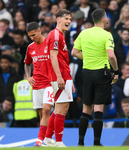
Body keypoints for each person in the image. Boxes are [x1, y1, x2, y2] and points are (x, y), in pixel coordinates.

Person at [71, 8, 119, 146]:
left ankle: (80, 143)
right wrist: (116, 71)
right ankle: (96, 143)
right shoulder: (106, 35)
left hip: (86, 73)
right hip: (101, 73)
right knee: (98, 109)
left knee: (86, 109)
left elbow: (74, 52)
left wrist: (89, 57)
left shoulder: (84, 33)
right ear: (104, 20)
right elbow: (111, 55)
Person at [44, 9, 74, 147]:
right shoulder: (56, 34)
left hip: (63, 75)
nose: (68, 21)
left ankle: (48, 138)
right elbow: (53, 56)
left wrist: (70, 80)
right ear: (58, 19)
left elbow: (62, 59)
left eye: (69, 18)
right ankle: (59, 141)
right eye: (66, 18)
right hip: (59, 76)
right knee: (62, 109)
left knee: (57, 109)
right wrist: (59, 76)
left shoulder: (60, 35)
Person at [24, 22, 54, 147]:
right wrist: (28, 76)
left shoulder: (49, 43)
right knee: (42, 114)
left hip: (49, 83)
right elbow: (26, 63)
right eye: (30, 36)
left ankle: (40, 140)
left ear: (40, 30)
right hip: (37, 85)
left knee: (47, 110)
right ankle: (48, 140)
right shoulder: (30, 47)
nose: (32, 38)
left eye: (33, 35)